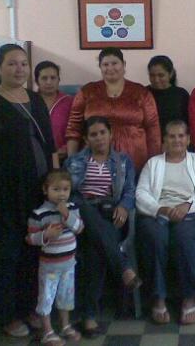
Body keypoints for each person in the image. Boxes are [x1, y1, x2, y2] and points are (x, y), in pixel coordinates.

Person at [0, 43, 57, 337]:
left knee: (34, 252)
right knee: (8, 253)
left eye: (23, 64)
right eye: (11, 64)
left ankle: (30, 307)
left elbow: (50, 146)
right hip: (4, 193)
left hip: (38, 191)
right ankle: (7, 315)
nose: (19, 69)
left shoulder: (35, 99)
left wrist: (55, 185)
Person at [64, 116, 141, 336]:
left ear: (110, 134)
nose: (99, 138)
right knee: (84, 205)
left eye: (102, 133)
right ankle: (124, 267)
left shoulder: (123, 161)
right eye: (93, 134)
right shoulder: (74, 162)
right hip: (82, 216)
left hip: (110, 216)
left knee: (95, 250)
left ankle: (89, 316)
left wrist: (124, 206)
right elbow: (67, 193)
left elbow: (130, 191)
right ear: (86, 139)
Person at [136, 120, 195, 325]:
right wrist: (160, 209)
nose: (176, 140)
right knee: (154, 238)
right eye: (171, 136)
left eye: (181, 136)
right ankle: (159, 297)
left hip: (189, 214)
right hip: (158, 213)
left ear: (188, 139)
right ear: (164, 140)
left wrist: (188, 206)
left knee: (184, 238)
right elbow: (141, 193)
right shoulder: (153, 163)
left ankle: (189, 297)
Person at [65, 47, 161, 172]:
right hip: (94, 162)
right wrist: (72, 162)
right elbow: (74, 129)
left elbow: (153, 130)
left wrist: (154, 166)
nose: (110, 68)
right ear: (100, 67)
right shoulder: (87, 92)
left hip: (135, 161)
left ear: (123, 64)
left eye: (114, 63)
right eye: (105, 64)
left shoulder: (141, 93)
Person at [27, 170, 83, 346]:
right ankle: (48, 331)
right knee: (46, 298)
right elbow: (30, 238)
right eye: (56, 189)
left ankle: (65, 326)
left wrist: (67, 215)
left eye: (65, 189)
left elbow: (79, 228)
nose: (61, 194)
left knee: (66, 297)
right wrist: (46, 235)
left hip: (69, 264)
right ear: (45, 190)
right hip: (49, 266)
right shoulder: (39, 213)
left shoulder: (72, 208)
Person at [35, 61, 74, 158]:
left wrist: (67, 149)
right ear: (37, 81)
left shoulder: (70, 102)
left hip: (64, 157)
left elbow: (77, 130)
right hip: (37, 158)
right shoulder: (30, 102)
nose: (49, 82)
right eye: (44, 78)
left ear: (58, 80)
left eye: (53, 78)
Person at [147, 55, 190, 135]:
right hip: (149, 140)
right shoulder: (143, 94)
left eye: (161, 75)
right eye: (152, 75)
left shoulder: (181, 94)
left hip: (175, 140)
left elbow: (188, 123)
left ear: (170, 74)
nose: (156, 80)